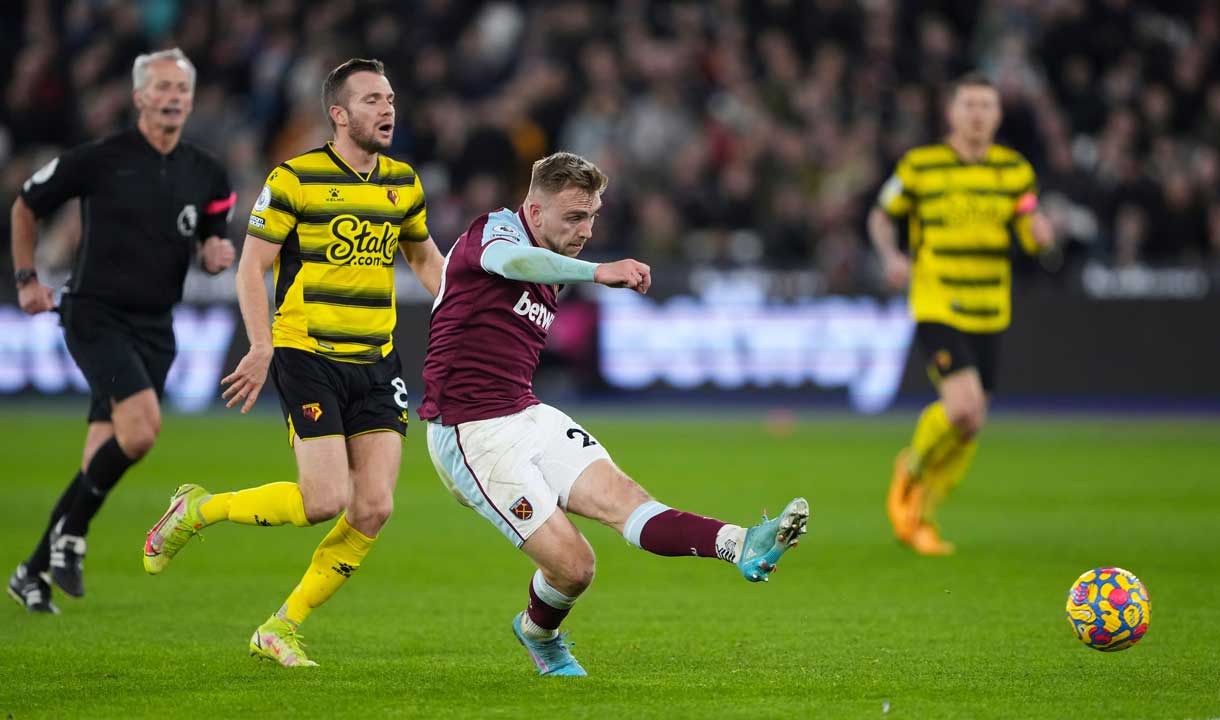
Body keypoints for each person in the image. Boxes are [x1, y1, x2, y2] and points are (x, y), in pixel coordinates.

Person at [419, 151, 809, 677]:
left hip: (525, 413)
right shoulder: (498, 231)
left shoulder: (551, 263)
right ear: (534, 212)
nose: (586, 229)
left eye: (593, 216)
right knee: (575, 568)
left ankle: (740, 544)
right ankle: (540, 634)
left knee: (629, 502)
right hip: (470, 432)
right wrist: (597, 272)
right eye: (574, 217)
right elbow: (510, 264)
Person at [141, 58, 444, 667]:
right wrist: (261, 345)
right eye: (371, 101)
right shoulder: (294, 179)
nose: (387, 110)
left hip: (379, 359)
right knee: (324, 501)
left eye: (390, 98)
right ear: (339, 114)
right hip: (308, 352)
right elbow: (252, 268)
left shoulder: (403, 182)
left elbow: (424, 258)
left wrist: (463, 318)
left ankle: (281, 627)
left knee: (376, 506)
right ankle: (198, 509)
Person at [7, 49, 236, 614]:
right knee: (142, 431)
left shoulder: (207, 171)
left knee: (99, 458)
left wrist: (214, 252)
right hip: (95, 315)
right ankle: (71, 539)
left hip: (158, 326)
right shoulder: (100, 158)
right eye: (161, 87)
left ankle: (32, 571)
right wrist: (27, 280)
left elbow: (210, 237)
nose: (173, 96)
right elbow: (25, 206)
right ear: (138, 97)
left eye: (181, 87)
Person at [869, 72, 1054, 556]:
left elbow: (1030, 228)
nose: (977, 114)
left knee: (971, 424)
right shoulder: (921, 167)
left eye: (986, 106)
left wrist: (1041, 233)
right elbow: (881, 214)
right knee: (963, 406)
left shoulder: (1015, 171)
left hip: (991, 307)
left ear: (997, 115)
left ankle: (923, 513)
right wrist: (891, 256)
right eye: (969, 105)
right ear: (951, 113)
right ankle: (909, 471)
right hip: (937, 301)